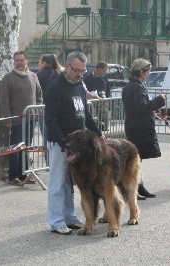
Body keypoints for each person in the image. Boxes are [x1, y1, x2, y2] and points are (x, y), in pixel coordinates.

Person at [45, 51, 104, 235]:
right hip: (60, 144)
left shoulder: (79, 86)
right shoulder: (55, 88)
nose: (80, 74)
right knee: (57, 183)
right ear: (67, 66)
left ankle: (69, 217)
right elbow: (51, 120)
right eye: (77, 70)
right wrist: (63, 143)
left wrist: (98, 133)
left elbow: (85, 114)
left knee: (70, 183)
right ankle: (56, 221)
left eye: (83, 71)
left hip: (77, 146)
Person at [122, 58, 166, 200]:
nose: (148, 75)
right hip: (138, 128)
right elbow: (142, 107)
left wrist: (150, 110)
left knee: (136, 160)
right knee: (135, 161)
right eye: (147, 72)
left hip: (133, 125)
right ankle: (133, 189)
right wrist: (159, 100)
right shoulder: (137, 87)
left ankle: (138, 187)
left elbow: (137, 107)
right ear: (141, 72)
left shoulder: (130, 86)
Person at [0, 51, 43, 185]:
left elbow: (39, 95)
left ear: (26, 61)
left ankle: (24, 174)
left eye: (21, 60)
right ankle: (13, 176)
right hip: (16, 121)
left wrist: (37, 109)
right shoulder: (8, 78)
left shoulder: (33, 77)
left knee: (26, 147)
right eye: (17, 60)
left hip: (30, 120)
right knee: (16, 149)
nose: (19, 62)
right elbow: (4, 100)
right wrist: (7, 118)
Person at [37, 54, 62, 163]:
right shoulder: (59, 74)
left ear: (45, 63)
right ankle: (52, 161)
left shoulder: (39, 75)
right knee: (54, 134)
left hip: (44, 109)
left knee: (46, 136)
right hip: (57, 109)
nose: (38, 64)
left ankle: (48, 161)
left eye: (40, 62)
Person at [83, 61, 110, 130]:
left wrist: (107, 100)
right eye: (104, 70)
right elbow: (85, 90)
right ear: (100, 69)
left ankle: (104, 128)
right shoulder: (88, 78)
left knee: (104, 113)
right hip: (92, 101)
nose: (105, 72)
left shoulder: (105, 78)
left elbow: (107, 89)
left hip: (102, 101)